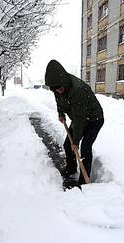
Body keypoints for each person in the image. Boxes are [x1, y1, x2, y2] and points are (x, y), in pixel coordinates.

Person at [45, 59, 104, 189]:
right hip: (80, 118)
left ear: (64, 83)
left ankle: (84, 180)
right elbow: (59, 102)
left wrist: (76, 141)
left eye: (60, 88)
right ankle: (71, 169)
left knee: (84, 147)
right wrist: (61, 113)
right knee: (67, 145)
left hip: (94, 119)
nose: (58, 91)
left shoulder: (78, 90)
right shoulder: (58, 88)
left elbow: (79, 120)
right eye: (55, 90)